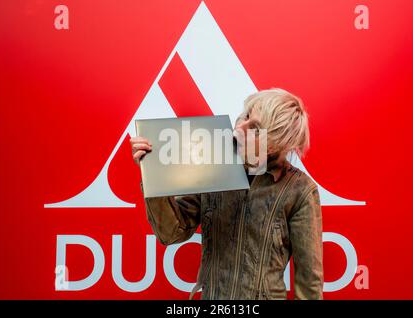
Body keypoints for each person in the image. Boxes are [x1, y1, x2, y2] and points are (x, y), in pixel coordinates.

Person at [130, 88, 323, 299]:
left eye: (256, 129)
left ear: (277, 143)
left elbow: (309, 282)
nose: (240, 127)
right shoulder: (211, 169)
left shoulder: (300, 190)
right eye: (246, 115)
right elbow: (171, 233)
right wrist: (153, 172)